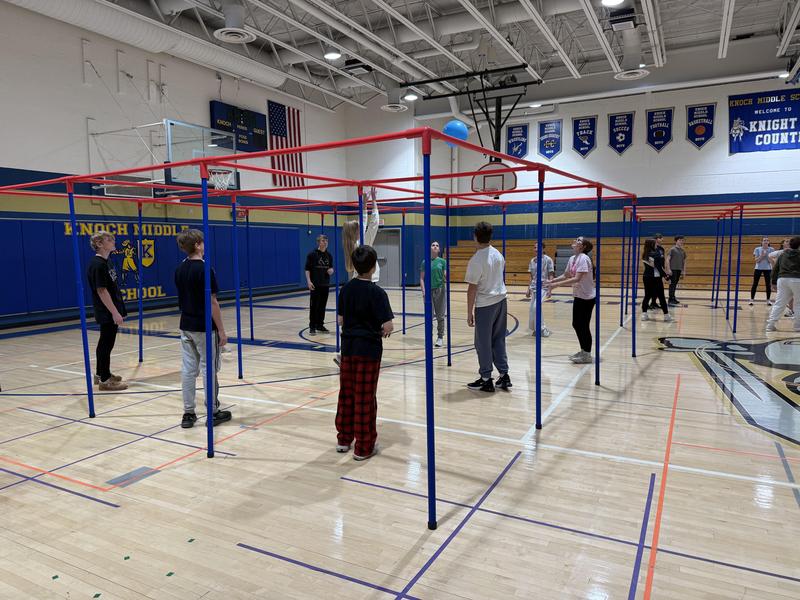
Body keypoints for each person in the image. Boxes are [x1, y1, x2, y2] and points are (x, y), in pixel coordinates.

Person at [335, 245, 394, 460]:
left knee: (347, 394)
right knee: (365, 398)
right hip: (368, 351)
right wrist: (379, 330)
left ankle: (343, 438)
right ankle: (363, 446)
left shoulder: (346, 289)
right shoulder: (377, 293)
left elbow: (341, 320)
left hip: (348, 349)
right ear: (373, 267)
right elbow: (388, 326)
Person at [174, 229, 232, 429]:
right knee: (209, 369)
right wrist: (222, 331)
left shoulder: (180, 268)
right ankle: (213, 411)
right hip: (204, 327)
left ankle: (188, 413)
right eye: (202, 243)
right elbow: (213, 302)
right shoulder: (205, 269)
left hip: (186, 325)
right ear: (198, 245)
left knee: (188, 370)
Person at [465, 221, 510, 392]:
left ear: (475, 236)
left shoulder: (477, 260)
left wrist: (469, 313)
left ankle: (486, 378)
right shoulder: (497, 254)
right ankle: (504, 375)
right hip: (501, 301)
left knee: (482, 343)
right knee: (498, 339)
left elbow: (472, 289)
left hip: (486, 305)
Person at [87, 230, 128, 391]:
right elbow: (102, 291)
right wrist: (114, 312)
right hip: (106, 310)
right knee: (106, 343)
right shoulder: (97, 265)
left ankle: (101, 373)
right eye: (109, 239)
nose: (113, 241)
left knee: (106, 342)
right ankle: (104, 380)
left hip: (112, 307)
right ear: (99, 244)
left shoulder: (108, 261)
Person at [546, 236, 596, 364]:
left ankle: (587, 354)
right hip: (579, 295)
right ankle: (584, 351)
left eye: (578, 241)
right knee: (576, 324)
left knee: (583, 325)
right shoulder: (572, 258)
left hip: (587, 297)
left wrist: (556, 286)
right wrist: (552, 281)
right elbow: (567, 275)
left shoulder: (584, 258)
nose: (575, 241)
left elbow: (577, 278)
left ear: (583, 247)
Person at [342, 187, 380, 282]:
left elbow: (362, 222)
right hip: (369, 279)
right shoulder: (362, 245)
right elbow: (374, 224)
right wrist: (374, 200)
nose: (361, 228)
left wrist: (365, 203)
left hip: (358, 279)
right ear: (355, 232)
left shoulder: (354, 243)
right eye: (359, 228)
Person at [766, 236, 800, 332]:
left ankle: (770, 325)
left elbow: (776, 268)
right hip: (797, 279)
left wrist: (773, 282)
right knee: (798, 303)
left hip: (782, 279)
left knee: (779, 303)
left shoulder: (782, 255)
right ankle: (798, 327)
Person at [420, 241, 448, 347]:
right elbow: (422, 278)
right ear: (430, 248)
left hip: (440, 290)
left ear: (439, 249)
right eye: (433, 245)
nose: (435, 246)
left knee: (440, 315)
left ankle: (440, 337)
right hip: (428, 291)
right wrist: (424, 292)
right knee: (429, 316)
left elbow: (445, 275)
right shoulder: (425, 262)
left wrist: (445, 275)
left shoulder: (442, 261)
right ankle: (429, 336)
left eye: (437, 245)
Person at [305, 234, 334, 335]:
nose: (325, 242)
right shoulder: (312, 255)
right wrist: (309, 281)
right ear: (318, 242)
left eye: (326, 241)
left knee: (322, 306)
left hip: (325, 284)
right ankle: (312, 326)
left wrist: (331, 270)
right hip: (315, 284)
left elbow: (331, 268)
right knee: (314, 306)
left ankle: (320, 325)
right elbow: (307, 269)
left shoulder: (329, 255)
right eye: (323, 240)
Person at [525, 243, 554, 337]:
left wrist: (550, 288)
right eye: (534, 247)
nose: (536, 249)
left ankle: (543, 328)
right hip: (533, 287)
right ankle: (536, 329)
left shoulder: (548, 260)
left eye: (538, 247)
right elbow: (531, 276)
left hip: (544, 287)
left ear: (543, 248)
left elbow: (551, 274)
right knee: (532, 309)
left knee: (536, 307)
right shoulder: (532, 260)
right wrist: (528, 289)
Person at [640, 238, 673, 322]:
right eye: (655, 243)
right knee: (661, 296)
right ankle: (666, 315)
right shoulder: (656, 254)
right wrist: (667, 277)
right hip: (655, 278)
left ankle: (644, 314)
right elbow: (659, 268)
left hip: (646, 277)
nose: (656, 244)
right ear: (652, 244)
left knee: (647, 295)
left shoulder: (644, 254)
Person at [769, 238, 794, 317]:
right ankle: (789, 308)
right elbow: (769, 255)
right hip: (780, 275)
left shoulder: (793, 251)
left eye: (789, 242)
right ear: (783, 244)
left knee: (789, 294)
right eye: (786, 241)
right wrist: (774, 265)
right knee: (781, 293)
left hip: (790, 276)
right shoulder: (780, 252)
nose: (788, 243)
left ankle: (791, 309)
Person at [750, 237, 775, 306]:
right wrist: (762, 255)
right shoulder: (757, 249)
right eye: (764, 240)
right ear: (761, 242)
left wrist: (767, 256)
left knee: (768, 285)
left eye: (767, 240)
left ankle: (768, 300)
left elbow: (772, 261)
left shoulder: (771, 249)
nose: (766, 241)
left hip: (768, 269)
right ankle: (751, 300)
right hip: (758, 268)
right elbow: (757, 261)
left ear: (769, 242)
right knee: (755, 283)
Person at [649, 233, 669, 310]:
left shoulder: (661, 249)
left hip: (660, 271)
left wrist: (664, 270)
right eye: (661, 238)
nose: (662, 239)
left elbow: (662, 260)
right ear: (656, 239)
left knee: (658, 288)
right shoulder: (652, 249)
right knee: (655, 288)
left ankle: (653, 303)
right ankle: (651, 303)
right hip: (654, 271)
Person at [667, 236, 686, 305]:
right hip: (673, 270)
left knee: (675, 284)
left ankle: (673, 297)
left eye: (682, 240)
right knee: (672, 284)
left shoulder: (683, 251)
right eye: (680, 240)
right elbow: (667, 259)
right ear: (676, 241)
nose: (681, 241)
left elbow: (684, 261)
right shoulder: (672, 249)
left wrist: (683, 271)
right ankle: (670, 298)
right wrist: (668, 269)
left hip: (679, 270)